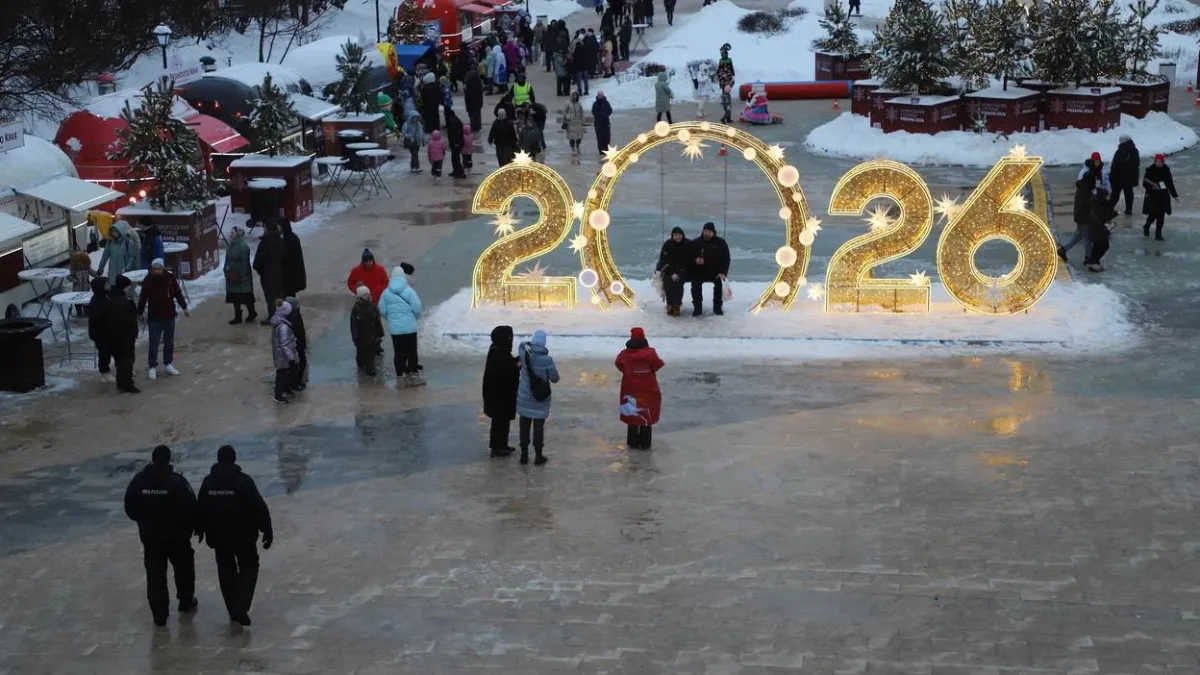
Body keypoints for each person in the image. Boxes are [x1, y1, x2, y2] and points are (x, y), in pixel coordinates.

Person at [196, 445, 273, 627]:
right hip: (244, 536)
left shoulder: (209, 482)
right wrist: (266, 528)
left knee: (226, 571)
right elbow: (257, 507)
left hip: (219, 537)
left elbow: (200, 508)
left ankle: (233, 608)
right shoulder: (243, 481)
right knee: (249, 567)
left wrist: (200, 528)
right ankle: (241, 606)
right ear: (234, 459)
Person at [123, 444, 198, 627]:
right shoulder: (177, 482)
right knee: (183, 569)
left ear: (153, 460)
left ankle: (159, 614)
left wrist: (144, 522)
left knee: (155, 576)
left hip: (151, 538)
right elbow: (191, 508)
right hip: (177, 538)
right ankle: (186, 601)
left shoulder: (139, 482)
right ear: (169, 460)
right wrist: (189, 528)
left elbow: (130, 508)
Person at [138, 258, 188, 380]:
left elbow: (178, 293)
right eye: (154, 269)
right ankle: (152, 366)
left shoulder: (170, 278)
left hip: (169, 314)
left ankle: (168, 363)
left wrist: (184, 307)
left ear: (163, 268)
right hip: (154, 316)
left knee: (169, 341)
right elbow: (143, 297)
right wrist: (139, 312)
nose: (156, 271)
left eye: (159, 268)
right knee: (154, 342)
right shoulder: (148, 280)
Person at [615, 327, 664, 450]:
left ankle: (632, 443)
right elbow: (657, 365)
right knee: (646, 417)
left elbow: (618, 364)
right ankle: (645, 443)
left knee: (632, 416)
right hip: (648, 389)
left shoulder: (624, 354)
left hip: (630, 389)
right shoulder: (650, 353)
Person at [516, 329, 560, 465]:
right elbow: (555, 378)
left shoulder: (524, 354)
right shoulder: (547, 360)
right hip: (540, 398)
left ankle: (524, 455)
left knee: (524, 426)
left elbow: (521, 345)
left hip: (524, 396)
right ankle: (538, 456)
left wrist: (528, 344)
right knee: (538, 427)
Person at [379, 267, 424, 387]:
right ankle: (413, 375)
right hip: (410, 328)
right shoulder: (409, 291)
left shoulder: (386, 293)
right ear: (403, 276)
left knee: (399, 353)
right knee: (412, 352)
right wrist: (413, 317)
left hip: (395, 329)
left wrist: (391, 319)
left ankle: (400, 377)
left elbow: (382, 309)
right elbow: (417, 306)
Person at [482, 325, 520, 457]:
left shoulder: (498, 351)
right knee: (500, 421)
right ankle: (497, 447)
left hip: (501, 396)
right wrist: (518, 363)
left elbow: (509, 365)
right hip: (500, 396)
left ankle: (502, 444)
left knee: (502, 421)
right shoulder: (499, 354)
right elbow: (509, 370)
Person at [691, 222, 731, 316]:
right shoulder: (696, 242)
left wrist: (723, 272)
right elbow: (688, 257)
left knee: (719, 283)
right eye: (705, 231)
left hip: (716, 272)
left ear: (713, 232)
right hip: (699, 272)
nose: (707, 233)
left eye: (709, 232)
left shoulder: (721, 243)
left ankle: (717, 307)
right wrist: (695, 261)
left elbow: (726, 259)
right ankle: (697, 308)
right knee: (695, 284)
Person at [110, 274, 140, 393]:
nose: (129, 290)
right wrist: (134, 333)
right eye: (127, 287)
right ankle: (128, 384)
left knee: (119, 360)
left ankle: (121, 382)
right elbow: (130, 321)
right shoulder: (125, 302)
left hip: (114, 337)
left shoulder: (112, 299)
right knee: (127, 360)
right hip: (125, 337)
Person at [1058, 171, 1096, 264]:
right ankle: (1088, 257)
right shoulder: (1086, 191)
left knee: (1078, 235)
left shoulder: (1082, 188)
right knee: (1088, 239)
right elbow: (1088, 205)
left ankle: (1063, 249)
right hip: (1085, 219)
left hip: (1080, 217)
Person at [224, 225, 256, 325]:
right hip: (232, 275)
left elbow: (244, 263)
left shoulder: (243, 247)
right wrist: (225, 269)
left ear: (238, 234)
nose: (230, 234)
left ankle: (252, 313)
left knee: (245, 296)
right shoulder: (231, 245)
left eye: (232, 233)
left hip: (242, 277)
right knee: (234, 296)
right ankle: (238, 316)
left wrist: (243, 275)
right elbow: (227, 258)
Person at [1142, 153, 1179, 241]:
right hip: (1153, 196)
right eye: (1157, 162)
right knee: (1153, 215)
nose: (1159, 163)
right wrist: (1152, 187)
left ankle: (1158, 234)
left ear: (1163, 162)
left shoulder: (1166, 170)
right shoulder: (1150, 170)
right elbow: (1145, 183)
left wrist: (1175, 195)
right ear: (1155, 161)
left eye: (1160, 162)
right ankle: (1146, 226)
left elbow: (1170, 184)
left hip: (1163, 196)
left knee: (1161, 216)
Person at [253, 221, 284, 325]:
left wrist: (261, 271)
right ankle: (281, 314)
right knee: (279, 295)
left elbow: (257, 262)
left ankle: (272, 316)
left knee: (270, 297)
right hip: (280, 273)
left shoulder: (264, 243)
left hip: (267, 275)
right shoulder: (280, 241)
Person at [656, 226, 691, 316]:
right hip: (669, 271)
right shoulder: (668, 244)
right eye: (675, 235)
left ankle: (677, 305)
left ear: (682, 235)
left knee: (678, 283)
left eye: (679, 235)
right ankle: (670, 304)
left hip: (682, 270)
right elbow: (664, 260)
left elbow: (688, 260)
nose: (677, 237)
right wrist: (671, 272)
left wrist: (679, 271)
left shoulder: (687, 244)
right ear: (672, 236)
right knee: (668, 283)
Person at [350, 285, 384, 376]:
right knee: (361, 352)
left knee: (370, 353)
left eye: (368, 295)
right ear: (360, 296)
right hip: (361, 336)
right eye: (365, 295)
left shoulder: (373, 306)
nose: (367, 296)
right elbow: (353, 325)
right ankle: (362, 365)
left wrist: (380, 333)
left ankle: (370, 369)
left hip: (372, 335)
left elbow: (377, 321)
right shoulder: (356, 309)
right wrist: (355, 337)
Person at [270, 301, 299, 404]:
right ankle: (278, 395)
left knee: (285, 373)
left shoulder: (279, 322)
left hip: (280, 355)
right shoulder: (283, 327)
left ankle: (285, 388)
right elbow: (284, 344)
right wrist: (291, 357)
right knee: (282, 374)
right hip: (283, 356)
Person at [1084, 187, 1117, 272]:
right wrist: (1114, 214)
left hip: (1095, 229)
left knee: (1097, 246)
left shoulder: (1095, 202)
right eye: (1107, 196)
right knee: (1104, 245)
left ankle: (1093, 261)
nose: (1108, 198)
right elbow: (1104, 217)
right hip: (1098, 230)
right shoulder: (1099, 205)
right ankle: (1093, 261)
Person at [97, 221, 139, 285]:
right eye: (113, 231)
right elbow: (105, 256)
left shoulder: (128, 242)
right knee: (113, 290)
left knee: (124, 290)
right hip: (112, 273)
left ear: (121, 231)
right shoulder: (110, 242)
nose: (114, 233)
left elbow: (132, 257)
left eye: (116, 231)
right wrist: (101, 268)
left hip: (124, 273)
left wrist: (127, 268)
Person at [87, 276, 113, 381]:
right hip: (100, 333)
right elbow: (96, 320)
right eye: (106, 284)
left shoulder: (105, 297)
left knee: (108, 352)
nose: (108, 286)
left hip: (107, 331)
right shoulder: (97, 302)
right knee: (104, 353)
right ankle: (104, 372)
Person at [1108, 135, 1140, 216]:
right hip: (1130, 177)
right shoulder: (1135, 150)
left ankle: (1108, 209)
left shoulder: (1121, 150)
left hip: (1119, 177)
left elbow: (1116, 164)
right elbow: (1137, 164)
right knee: (1129, 193)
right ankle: (1129, 210)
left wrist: (1112, 175)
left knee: (1115, 194)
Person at [283, 296, 307, 392]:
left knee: (298, 364)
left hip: (296, 344)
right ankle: (294, 383)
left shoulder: (292, 315)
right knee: (297, 365)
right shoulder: (292, 318)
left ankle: (295, 382)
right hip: (295, 345)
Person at [279, 218, 306, 299]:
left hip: (289, 277)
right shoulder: (291, 237)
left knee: (289, 298)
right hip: (293, 276)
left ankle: (294, 311)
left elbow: (284, 257)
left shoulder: (288, 240)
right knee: (291, 297)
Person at [68, 251, 94, 317]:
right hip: (77, 289)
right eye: (78, 261)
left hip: (86, 289)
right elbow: (69, 276)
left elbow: (93, 273)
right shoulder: (74, 270)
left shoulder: (87, 269)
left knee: (86, 302)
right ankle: (79, 313)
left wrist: (98, 274)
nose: (80, 263)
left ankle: (87, 313)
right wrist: (74, 279)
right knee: (78, 303)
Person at [401, 110, 425, 174]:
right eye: (414, 117)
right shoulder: (407, 124)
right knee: (415, 154)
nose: (415, 119)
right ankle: (416, 167)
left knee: (414, 155)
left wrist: (423, 141)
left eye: (416, 117)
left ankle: (413, 167)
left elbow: (421, 133)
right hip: (411, 142)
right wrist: (409, 137)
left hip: (417, 142)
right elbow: (404, 132)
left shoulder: (418, 124)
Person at [563, 91, 586, 156]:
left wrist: (583, 121)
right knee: (572, 137)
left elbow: (582, 112)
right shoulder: (567, 103)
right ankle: (573, 148)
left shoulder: (579, 104)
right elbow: (564, 112)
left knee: (579, 136)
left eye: (576, 95)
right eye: (574, 95)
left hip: (578, 122)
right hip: (570, 122)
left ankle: (578, 147)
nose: (575, 97)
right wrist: (566, 118)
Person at [592, 91, 613, 158]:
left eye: (601, 96)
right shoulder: (595, 104)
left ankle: (606, 148)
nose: (600, 97)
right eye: (599, 96)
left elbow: (610, 110)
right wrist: (599, 115)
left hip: (606, 123)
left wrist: (605, 115)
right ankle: (601, 150)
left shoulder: (606, 103)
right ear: (597, 96)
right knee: (600, 137)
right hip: (598, 124)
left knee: (607, 137)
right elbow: (594, 112)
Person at [463, 68, 484, 134]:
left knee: (472, 115)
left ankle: (473, 126)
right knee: (478, 113)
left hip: (470, 102)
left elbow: (466, 94)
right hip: (478, 101)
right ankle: (478, 126)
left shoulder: (468, 85)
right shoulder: (478, 83)